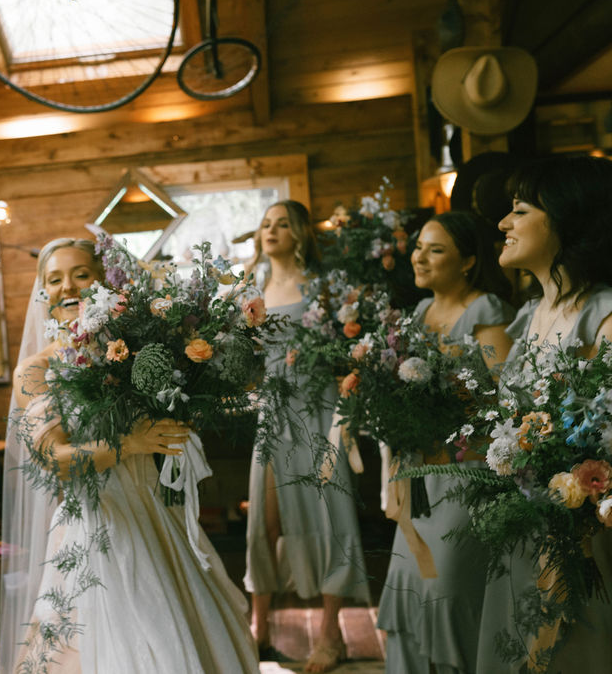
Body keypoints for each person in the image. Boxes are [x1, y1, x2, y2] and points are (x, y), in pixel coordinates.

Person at [0, 238, 258, 673]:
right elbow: (54, 458)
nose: (68, 287)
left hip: (159, 515)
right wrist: (129, 444)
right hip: (98, 526)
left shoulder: (136, 352)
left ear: (104, 283)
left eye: (81, 275)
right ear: (43, 293)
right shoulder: (35, 371)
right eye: (55, 279)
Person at [477, 155, 612, 672]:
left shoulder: (601, 313)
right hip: (525, 523)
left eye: (519, 210)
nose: (503, 224)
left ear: (566, 217)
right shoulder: (530, 314)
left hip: (580, 539)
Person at [376, 211, 514, 674]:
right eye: (418, 246)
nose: (419, 257)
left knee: (448, 590)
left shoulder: (485, 310)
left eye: (436, 250)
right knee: (407, 587)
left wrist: (439, 399)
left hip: (463, 475)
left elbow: (501, 398)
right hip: (416, 474)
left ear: (469, 261)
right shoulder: (419, 312)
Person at [243, 200, 369, 672]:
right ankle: (262, 629)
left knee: (329, 513)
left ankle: (331, 635)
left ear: (298, 232)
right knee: (266, 521)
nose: (270, 231)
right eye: (265, 224)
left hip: (318, 411)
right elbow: (247, 358)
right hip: (273, 413)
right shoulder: (251, 288)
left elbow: (352, 347)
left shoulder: (322, 287)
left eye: (281, 224)